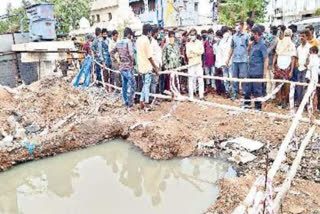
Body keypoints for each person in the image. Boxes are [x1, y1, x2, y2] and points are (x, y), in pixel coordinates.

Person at [110, 28, 135, 110]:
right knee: (131, 85)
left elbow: (111, 52)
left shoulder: (118, 43)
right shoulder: (128, 42)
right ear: (129, 34)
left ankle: (125, 101)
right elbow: (131, 55)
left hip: (122, 67)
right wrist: (132, 62)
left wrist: (117, 60)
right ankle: (130, 104)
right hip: (128, 67)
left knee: (124, 85)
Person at [136, 24, 159, 110]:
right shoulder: (146, 41)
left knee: (144, 85)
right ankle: (146, 103)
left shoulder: (138, 40)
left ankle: (141, 102)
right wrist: (155, 68)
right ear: (149, 32)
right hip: (147, 66)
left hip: (141, 66)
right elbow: (149, 57)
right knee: (146, 85)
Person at [245, 26, 268, 110]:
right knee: (247, 88)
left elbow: (266, 59)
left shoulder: (262, 45)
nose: (251, 35)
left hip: (258, 71)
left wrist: (264, 73)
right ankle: (246, 104)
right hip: (250, 70)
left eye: (252, 34)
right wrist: (249, 46)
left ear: (257, 34)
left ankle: (258, 107)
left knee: (257, 90)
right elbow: (248, 53)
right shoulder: (253, 44)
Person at [273, 29, 296, 109]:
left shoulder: (280, 43)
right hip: (287, 65)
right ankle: (284, 101)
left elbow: (276, 55)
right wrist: (291, 70)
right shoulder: (292, 44)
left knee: (278, 83)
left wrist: (273, 65)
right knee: (287, 84)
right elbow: (293, 58)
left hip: (279, 64)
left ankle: (279, 100)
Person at [226, 21, 250, 101]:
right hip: (235, 60)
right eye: (236, 25)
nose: (237, 26)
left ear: (242, 26)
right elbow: (232, 48)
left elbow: (249, 48)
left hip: (243, 60)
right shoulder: (233, 37)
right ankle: (235, 94)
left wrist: (247, 57)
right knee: (234, 78)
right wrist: (228, 59)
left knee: (243, 79)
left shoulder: (246, 36)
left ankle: (244, 95)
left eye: (238, 25)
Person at [186, 29, 205, 100]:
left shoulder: (200, 43)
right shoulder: (188, 44)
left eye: (193, 35)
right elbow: (188, 55)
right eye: (191, 35)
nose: (192, 36)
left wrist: (193, 51)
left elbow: (202, 52)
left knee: (200, 79)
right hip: (191, 64)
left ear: (196, 35)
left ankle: (201, 95)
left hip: (198, 64)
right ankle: (191, 96)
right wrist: (196, 53)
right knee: (191, 80)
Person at [215, 26, 232, 97]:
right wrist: (219, 63)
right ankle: (227, 91)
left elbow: (232, 50)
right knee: (225, 78)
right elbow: (219, 53)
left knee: (231, 78)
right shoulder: (221, 42)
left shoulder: (232, 39)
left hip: (231, 62)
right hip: (224, 63)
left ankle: (233, 92)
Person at [296, 30, 311, 105]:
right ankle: (299, 102)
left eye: (303, 36)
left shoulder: (310, 47)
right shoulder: (298, 48)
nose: (301, 38)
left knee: (305, 86)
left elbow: (311, 58)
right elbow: (297, 57)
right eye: (300, 36)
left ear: (307, 37)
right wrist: (297, 63)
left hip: (306, 69)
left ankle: (305, 103)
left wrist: (307, 63)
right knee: (299, 86)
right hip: (299, 69)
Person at [306, 46, 319, 123]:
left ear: (313, 51)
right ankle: (314, 108)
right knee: (314, 93)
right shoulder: (317, 58)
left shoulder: (312, 57)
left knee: (312, 93)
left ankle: (313, 109)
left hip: (312, 77)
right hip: (315, 76)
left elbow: (308, 65)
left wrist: (307, 60)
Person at [266, 26, 278, 96]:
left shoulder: (276, 40)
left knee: (272, 80)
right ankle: (268, 94)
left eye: (270, 31)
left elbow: (269, 50)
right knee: (268, 80)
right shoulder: (269, 39)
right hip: (268, 61)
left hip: (273, 62)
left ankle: (272, 95)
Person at [150, 27, 162, 96]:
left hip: (157, 64)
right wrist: (154, 67)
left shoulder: (154, 41)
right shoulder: (152, 42)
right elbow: (151, 55)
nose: (159, 34)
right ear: (155, 33)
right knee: (154, 82)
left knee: (155, 82)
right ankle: (152, 97)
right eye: (158, 33)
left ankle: (153, 97)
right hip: (155, 65)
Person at [203, 28, 216, 94]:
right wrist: (203, 62)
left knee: (213, 74)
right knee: (207, 75)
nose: (210, 35)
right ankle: (208, 87)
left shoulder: (215, 42)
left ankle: (213, 87)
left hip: (213, 62)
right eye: (209, 33)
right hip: (206, 62)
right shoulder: (205, 42)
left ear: (213, 34)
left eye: (211, 33)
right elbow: (204, 52)